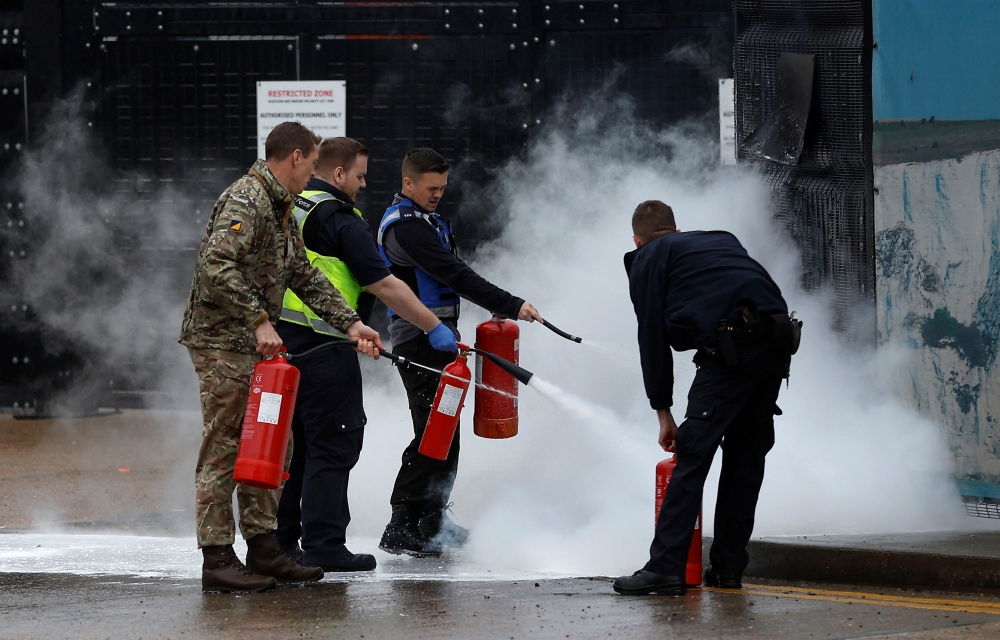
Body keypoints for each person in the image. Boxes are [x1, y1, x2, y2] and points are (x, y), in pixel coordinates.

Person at [179, 122, 384, 593]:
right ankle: (216, 558)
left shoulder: (282, 205)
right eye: (312, 164)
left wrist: (350, 323)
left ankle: (265, 548)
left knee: (273, 446)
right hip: (222, 342)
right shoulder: (247, 200)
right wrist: (257, 319)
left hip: (252, 345)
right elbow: (216, 265)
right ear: (295, 157)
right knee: (226, 446)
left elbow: (301, 273)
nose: (313, 173)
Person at [273, 137, 458, 573]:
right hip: (323, 348)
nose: (361, 186)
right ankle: (324, 545)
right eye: (359, 177)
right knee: (334, 444)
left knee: (296, 449)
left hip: (282, 348)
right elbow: (386, 284)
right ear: (338, 174)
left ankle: (282, 543)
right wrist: (434, 327)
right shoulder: (340, 219)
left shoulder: (291, 207)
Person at [613, 200, 798, 596]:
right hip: (777, 342)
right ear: (676, 230)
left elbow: (654, 340)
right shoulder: (718, 240)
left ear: (636, 240)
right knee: (746, 457)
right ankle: (729, 569)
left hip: (733, 350)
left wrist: (663, 412)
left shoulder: (647, 257)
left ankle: (665, 568)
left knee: (693, 455)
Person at [376, 147, 543, 556]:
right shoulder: (407, 228)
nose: (437, 194)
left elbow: (450, 276)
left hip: (440, 338)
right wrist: (508, 302)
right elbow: (453, 273)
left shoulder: (427, 221)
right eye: (431, 188)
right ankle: (400, 523)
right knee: (432, 431)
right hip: (420, 340)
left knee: (445, 429)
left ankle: (431, 519)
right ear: (408, 183)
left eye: (443, 188)